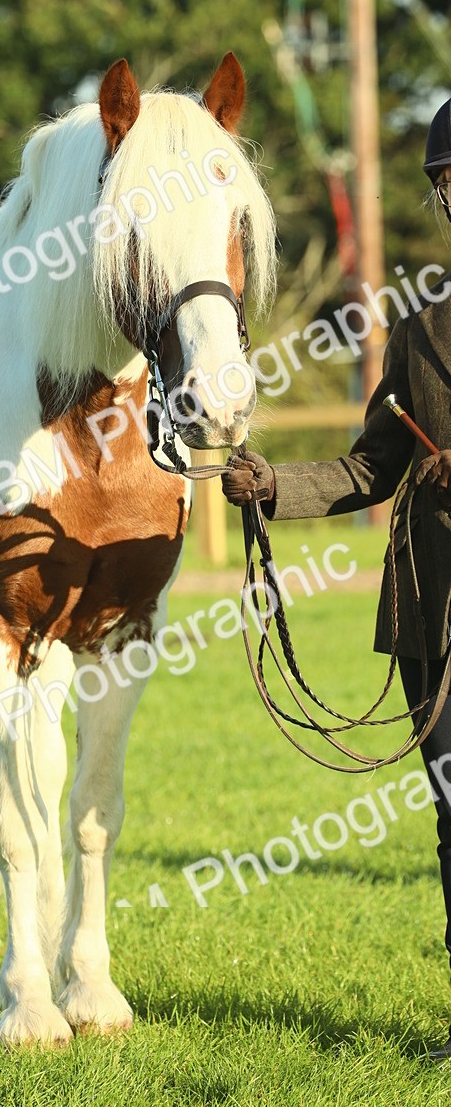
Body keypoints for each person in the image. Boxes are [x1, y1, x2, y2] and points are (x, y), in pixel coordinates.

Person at [221, 97, 451, 1059]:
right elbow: (370, 469)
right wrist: (274, 487)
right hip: (434, 617)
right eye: (447, 181)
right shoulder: (420, 328)